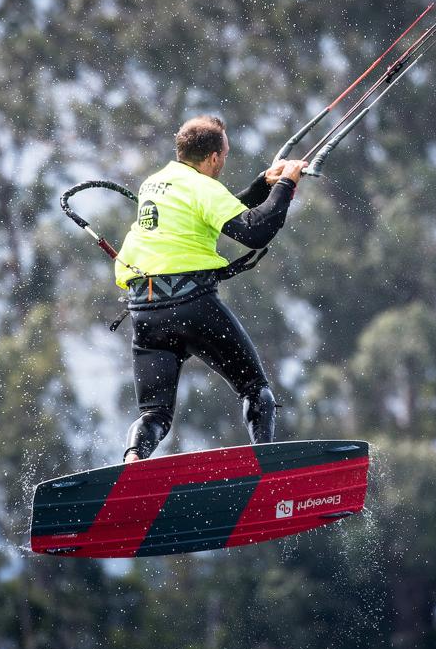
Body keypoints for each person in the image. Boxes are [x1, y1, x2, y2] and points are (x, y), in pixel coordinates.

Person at [112, 115, 307, 463]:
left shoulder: (154, 183)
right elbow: (254, 231)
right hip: (190, 306)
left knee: (154, 415)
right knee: (255, 389)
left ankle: (132, 461)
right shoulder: (203, 188)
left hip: (145, 312)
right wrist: (287, 186)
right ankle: (264, 467)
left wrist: (264, 183)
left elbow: (217, 211)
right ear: (214, 158)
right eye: (225, 156)